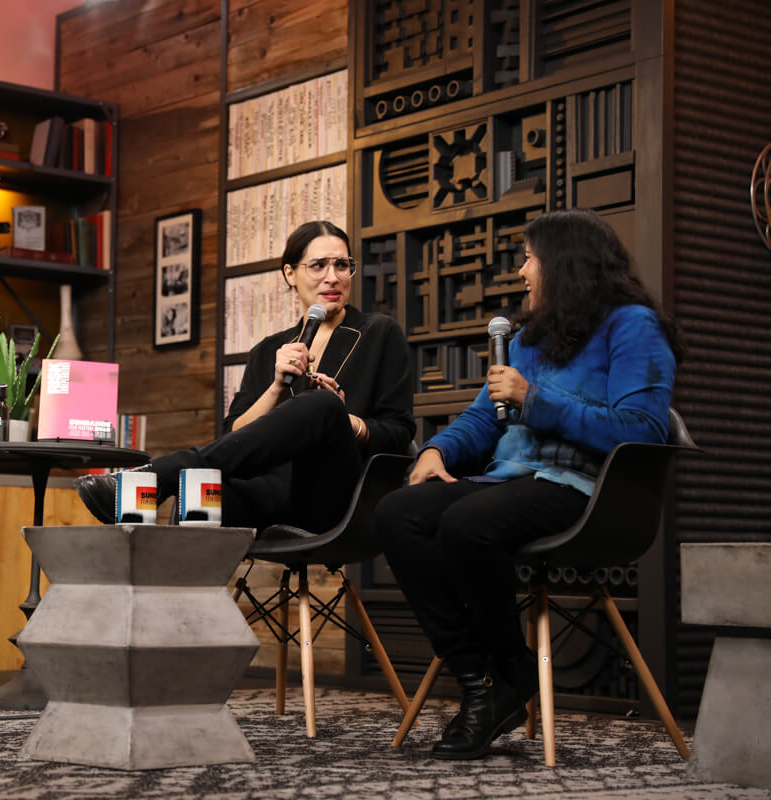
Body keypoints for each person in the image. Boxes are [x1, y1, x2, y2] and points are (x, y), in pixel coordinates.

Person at [374, 208, 681, 760]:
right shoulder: (525, 342)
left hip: (589, 491)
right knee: (399, 512)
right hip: (513, 483)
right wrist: (439, 449)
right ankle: (488, 683)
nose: (521, 272)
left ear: (563, 264)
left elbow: (642, 430)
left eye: (529, 259)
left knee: (467, 523)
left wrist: (533, 400)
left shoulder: (633, 325)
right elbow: (482, 416)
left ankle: (503, 678)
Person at [76, 220, 415, 533]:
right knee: (200, 488)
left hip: (338, 498)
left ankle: (160, 475)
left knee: (324, 406)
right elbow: (234, 437)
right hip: (267, 495)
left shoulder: (378, 333)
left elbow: (399, 433)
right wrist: (275, 388)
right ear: (290, 274)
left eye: (342, 265)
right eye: (318, 265)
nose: (333, 277)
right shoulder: (269, 351)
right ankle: (183, 593)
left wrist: (346, 420)